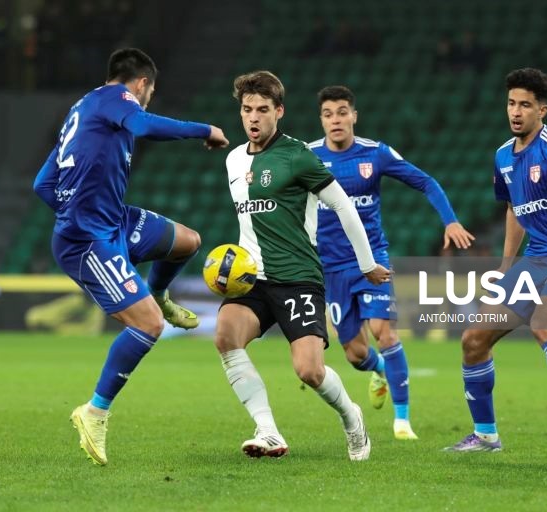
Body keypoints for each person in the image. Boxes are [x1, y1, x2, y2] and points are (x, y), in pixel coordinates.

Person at [33, 47, 228, 466]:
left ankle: (158, 292)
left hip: (113, 221)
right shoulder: (116, 99)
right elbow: (141, 123)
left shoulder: (80, 112)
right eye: (149, 91)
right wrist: (204, 130)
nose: (146, 98)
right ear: (141, 84)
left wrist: (78, 205)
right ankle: (95, 411)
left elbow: (42, 184)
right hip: (88, 238)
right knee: (149, 327)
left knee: (188, 242)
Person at [215, 70, 391, 461]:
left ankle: (352, 417)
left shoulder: (297, 155)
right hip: (253, 279)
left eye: (263, 109)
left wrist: (367, 264)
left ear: (279, 111)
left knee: (309, 371)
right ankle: (267, 430)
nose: (254, 117)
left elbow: (344, 206)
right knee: (226, 337)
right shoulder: (233, 160)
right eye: (247, 110)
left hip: (297, 278)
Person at [445, 68, 547, 455]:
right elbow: (514, 209)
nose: (515, 111)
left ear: (542, 110)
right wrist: (506, 265)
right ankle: (486, 436)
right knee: (473, 339)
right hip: (536, 258)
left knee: (543, 322)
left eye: (525, 105)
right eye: (511, 103)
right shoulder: (503, 155)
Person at [309, 85, 475, 441]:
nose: (335, 120)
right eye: (328, 114)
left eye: (342, 112)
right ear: (321, 120)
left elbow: (426, 182)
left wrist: (450, 220)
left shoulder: (376, 153)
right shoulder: (307, 157)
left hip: (371, 260)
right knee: (355, 354)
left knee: (383, 331)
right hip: (331, 267)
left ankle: (402, 420)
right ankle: (381, 370)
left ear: (354, 115)